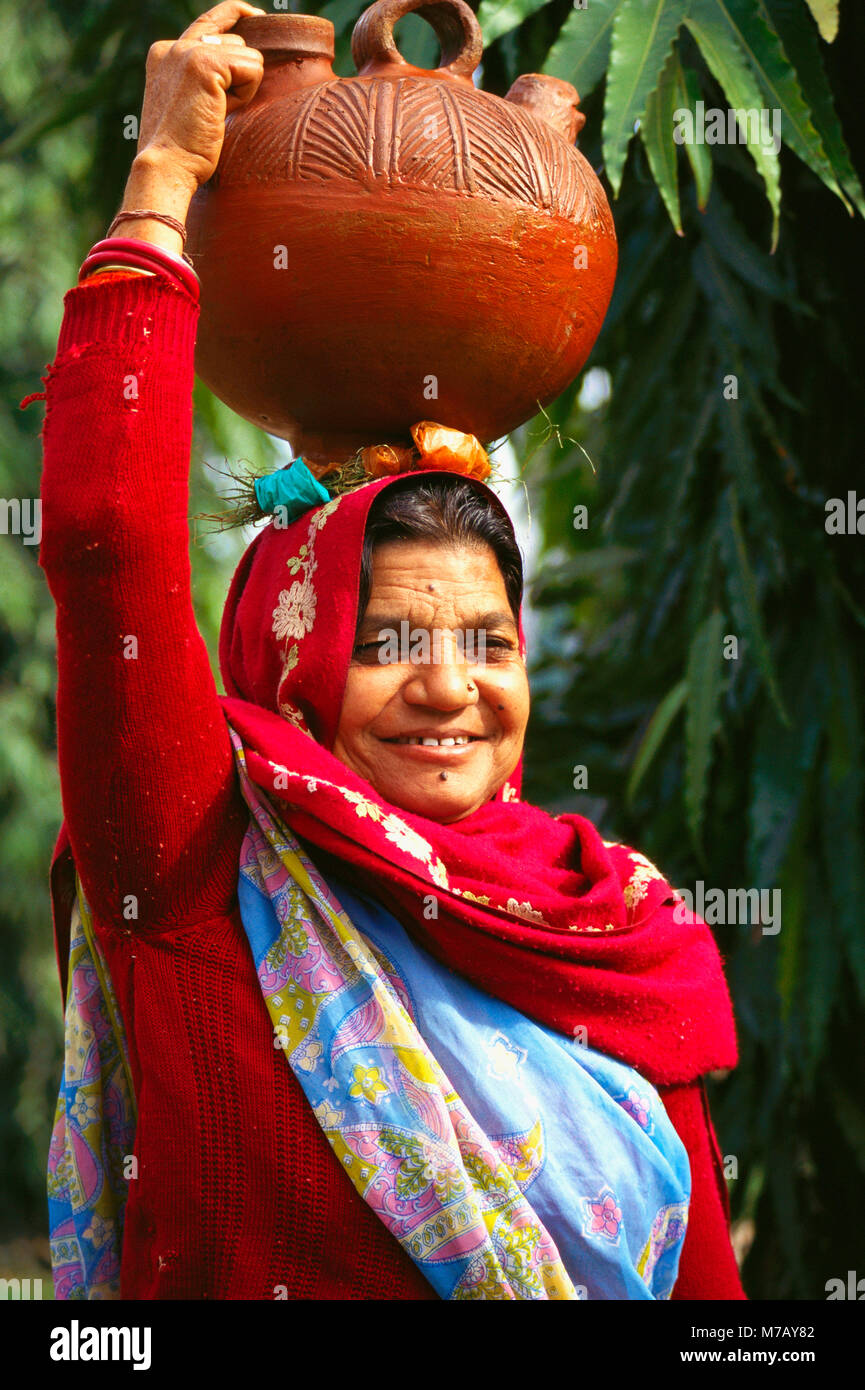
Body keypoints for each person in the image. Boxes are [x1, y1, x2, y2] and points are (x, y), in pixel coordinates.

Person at [30, 1, 744, 1300]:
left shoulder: (616, 942)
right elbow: (99, 543)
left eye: (486, 639)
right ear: (291, 660)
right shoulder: (206, 870)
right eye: (390, 638)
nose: (451, 683)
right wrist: (164, 179)